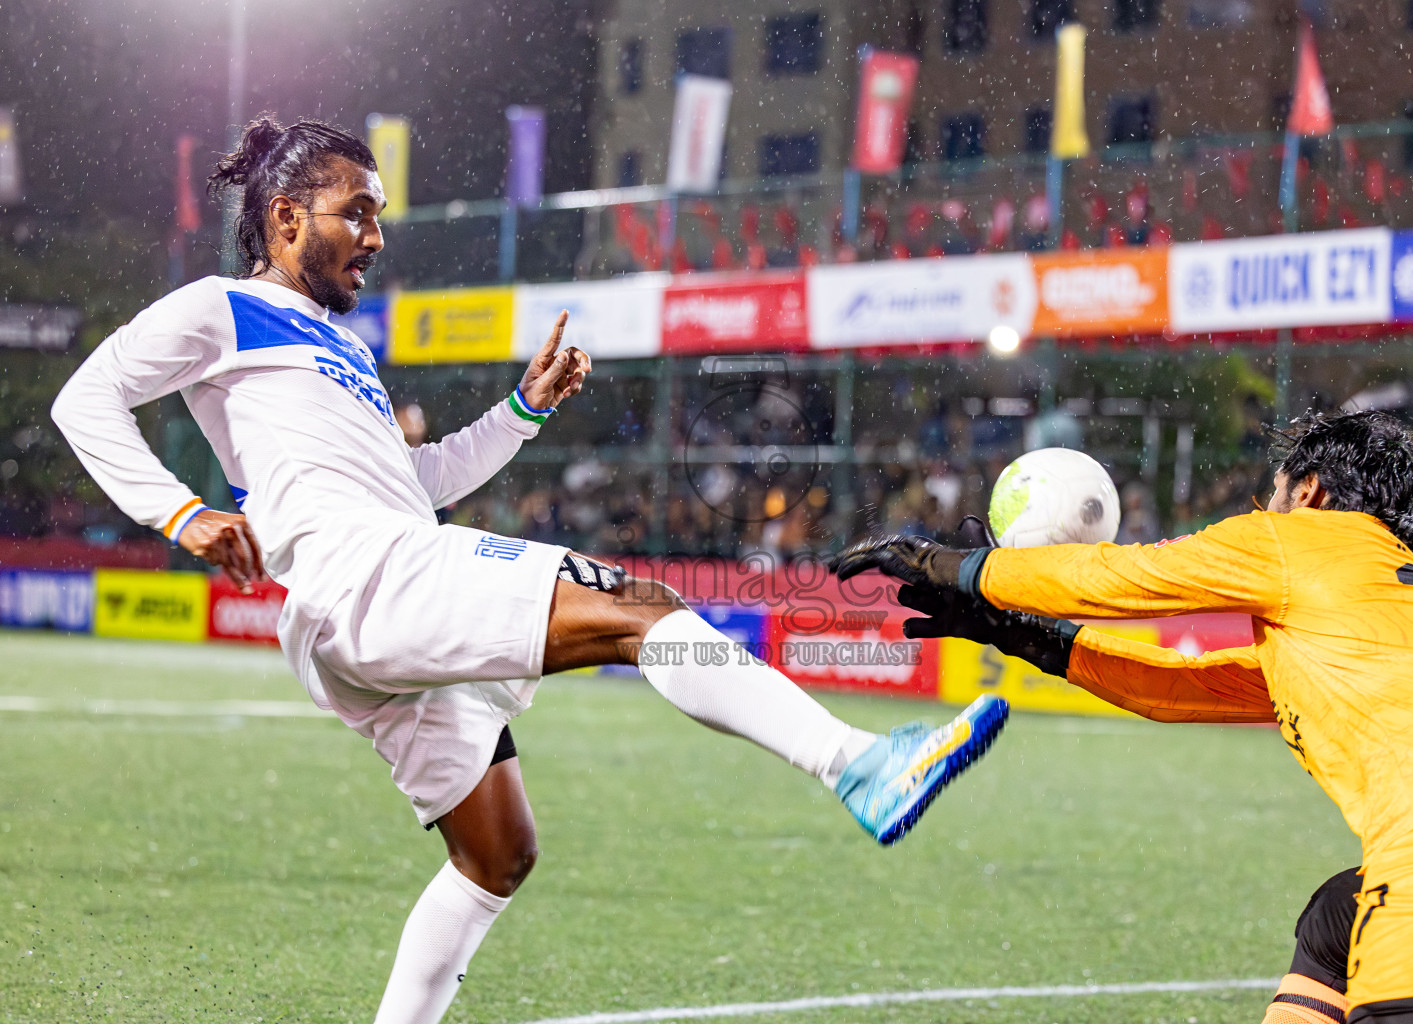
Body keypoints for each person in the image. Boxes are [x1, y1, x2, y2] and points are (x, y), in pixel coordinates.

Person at [50, 117, 1009, 1024]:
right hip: (369, 579)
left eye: (380, 212)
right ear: (287, 218)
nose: (377, 234)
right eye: (359, 210)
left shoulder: (340, 343)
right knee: (643, 607)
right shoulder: (224, 307)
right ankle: (860, 766)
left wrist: (522, 410)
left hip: (365, 591)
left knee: (496, 855)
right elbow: (88, 399)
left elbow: (413, 485)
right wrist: (181, 511)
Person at [831, 410, 1413, 1024]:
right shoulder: (1390, 605)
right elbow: (1187, 689)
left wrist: (949, 564)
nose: (1265, 507)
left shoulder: (1300, 540)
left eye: (1275, 493)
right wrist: (1028, 638)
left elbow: (1119, 579)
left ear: (1311, 493)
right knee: (1335, 924)